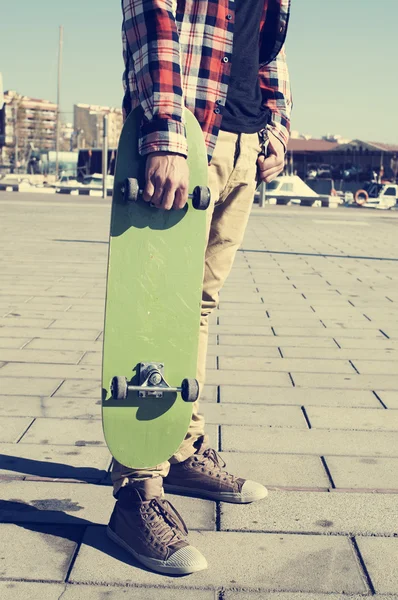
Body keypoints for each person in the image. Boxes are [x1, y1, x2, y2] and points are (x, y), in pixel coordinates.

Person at [107, 0, 292, 575]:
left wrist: (276, 128)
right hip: (186, 133)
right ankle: (139, 486)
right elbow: (150, 14)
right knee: (154, 307)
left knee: (199, 306)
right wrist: (165, 132)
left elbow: (265, 43)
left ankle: (180, 447)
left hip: (241, 143)